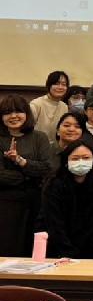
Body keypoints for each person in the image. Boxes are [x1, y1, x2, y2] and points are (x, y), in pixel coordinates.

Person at [0, 94, 53, 255]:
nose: (13, 116)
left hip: (36, 201)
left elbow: (47, 169)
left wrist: (20, 161)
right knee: (8, 247)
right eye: (7, 112)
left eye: (18, 111)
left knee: (33, 248)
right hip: (6, 203)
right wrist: (27, 175)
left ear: (27, 114)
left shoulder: (40, 137)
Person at [39, 140, 93, 258]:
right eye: (75, 158)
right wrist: (67, 250)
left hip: (90, 243)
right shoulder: (54, 182)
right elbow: (53, 220)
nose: (81, 162)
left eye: (86, 158)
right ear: (66, 161)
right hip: (57, 242)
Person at [29, 71, 70, 146]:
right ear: (49, 85)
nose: (60, 87)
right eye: (56, 84)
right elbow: (27, 128)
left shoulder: (64, 106)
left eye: (64, 84)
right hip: (36, 146)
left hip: (56, 147)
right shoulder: (36, 104)